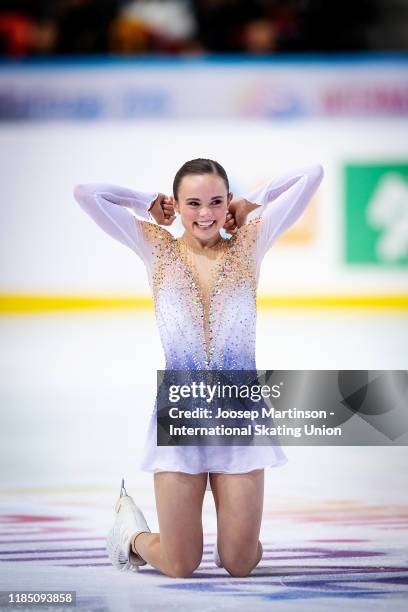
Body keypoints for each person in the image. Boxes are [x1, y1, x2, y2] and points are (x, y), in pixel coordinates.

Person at [73, 158, 323, 578]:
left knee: (240, 562)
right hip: (181, 415)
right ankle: (131, 536)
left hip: (239, 416)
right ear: (178, 205)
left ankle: (236, 539)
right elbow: (85, 194)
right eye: (193, 203)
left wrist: (252, 202)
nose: (205, 213)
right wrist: (145, 202)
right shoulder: (157, 247)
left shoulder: (249, 244)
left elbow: (311, 175)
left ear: (227, 202)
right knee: (180, 564)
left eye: (215, 201)